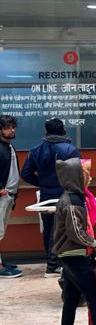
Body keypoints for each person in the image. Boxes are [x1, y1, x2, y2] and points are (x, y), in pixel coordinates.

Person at [21, 117, 81, 277]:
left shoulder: (35, 150)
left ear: (46, 132)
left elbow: (25, 174)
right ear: (63, 131)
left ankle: (51, 263)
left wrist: (42, 183)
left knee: (49, 230)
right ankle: (55, 265)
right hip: (66, 194)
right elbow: (78, 174)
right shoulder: (70, 150)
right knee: (63, 229)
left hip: (46, 195)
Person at [53, 158, 96, 325]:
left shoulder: (73, 197)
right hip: (74, 254)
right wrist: (94, 243)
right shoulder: (73, 202)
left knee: (71, 297)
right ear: (76, 177)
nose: (90, 178)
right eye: (86, 175)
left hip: (68, 254)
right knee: (95, 295)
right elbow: (75, 232)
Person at [0, 115, 22, 278]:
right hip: (3, 196)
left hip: (9, 196)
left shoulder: (9, 146)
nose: (12, 130)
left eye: (13, 127)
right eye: (8, 127)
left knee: (1, 232)